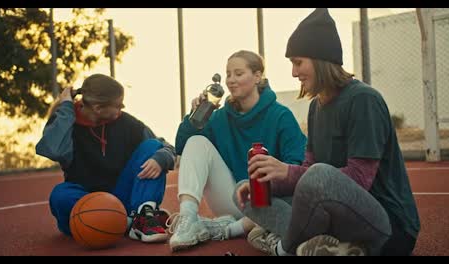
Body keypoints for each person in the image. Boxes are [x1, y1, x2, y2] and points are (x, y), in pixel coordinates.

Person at [234, 8, 420, 256]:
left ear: (321, 59)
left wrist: (290, 171)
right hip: (338, 220)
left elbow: (358, 179)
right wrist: (271, 182)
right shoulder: (316, 107)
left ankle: (284, 247)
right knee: (250, 193)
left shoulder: (364, 99)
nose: (293, 72)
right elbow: (307, 174)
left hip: (388, 228)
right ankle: (334, 248)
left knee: (319, 175)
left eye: (298, 62)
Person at [168, 50, 307, 251]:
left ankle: (227, 228)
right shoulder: (218, 117)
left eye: (238, 74)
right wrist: (193, 118)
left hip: (270, 201)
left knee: (294, 201)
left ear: (257, 76)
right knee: (197, 141)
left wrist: (267, 184)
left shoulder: (281, 116)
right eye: (228, 74)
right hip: (234, 198)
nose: (231, 80)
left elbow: (296, 166)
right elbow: (183, 147)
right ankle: (189, 220)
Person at [36, 74, 176, 243]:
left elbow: (164, 146)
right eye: (118, 105)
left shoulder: (127, 123)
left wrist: (161, 158)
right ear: (97, 108)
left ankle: (143, 215)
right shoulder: (66, 123)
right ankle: (125, 223)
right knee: (60, 195)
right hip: (87, 201)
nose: (122, 108)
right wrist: (66, 107)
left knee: (152, 147)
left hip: (121, 197)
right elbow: (53, 149)